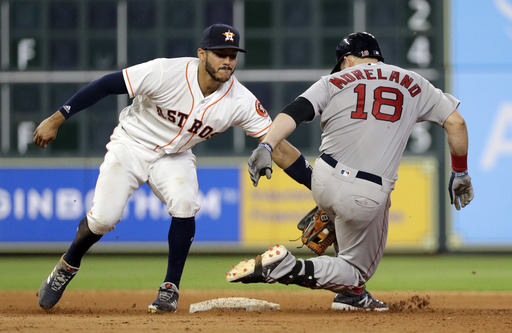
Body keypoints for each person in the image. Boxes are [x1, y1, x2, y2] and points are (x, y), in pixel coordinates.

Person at [33, 23, 314, 313]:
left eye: (232, 55)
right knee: (103, 220)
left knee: (185, 203)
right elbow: (107, 84)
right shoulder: (167, 72)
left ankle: (170, 289)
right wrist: (58, 118)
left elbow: (277, 144)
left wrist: (317, 184)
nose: (227, 61)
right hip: (131, 145)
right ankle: (68, 264)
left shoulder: (240, 100)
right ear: (201, 54)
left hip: (175, 156)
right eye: (220, 54)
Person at [226, 32, 474, 311]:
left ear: (346, 60)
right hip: (366, 191)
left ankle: (351, 297)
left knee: (346, 227)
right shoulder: (414, 82)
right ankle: (288, 268)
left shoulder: (333, 81)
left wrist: (268, 146)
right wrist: (460, 171)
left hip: (322, 177)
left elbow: (296, 111)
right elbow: (457, 124)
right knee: (356, 269)